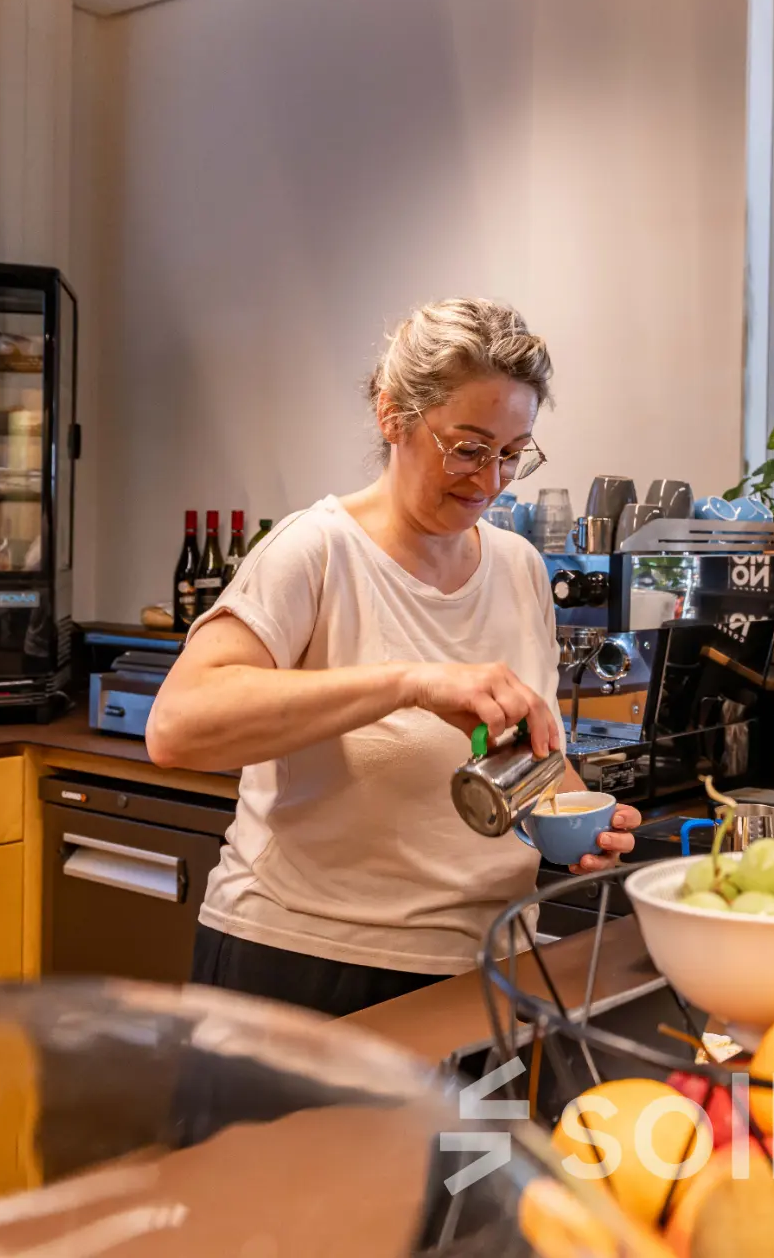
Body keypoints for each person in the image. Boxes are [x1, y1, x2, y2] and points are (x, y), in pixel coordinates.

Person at [146, 299, 639, 1017]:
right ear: (392, 416)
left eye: (511, 453)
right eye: (467, 449)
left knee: (493, 1110)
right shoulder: (315, 551)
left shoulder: (519, 568)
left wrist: (576, 819)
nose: (490, 481)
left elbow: (524, 751)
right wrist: (410, 682)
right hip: (305, 965)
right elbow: (177, 728)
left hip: (485, 969)